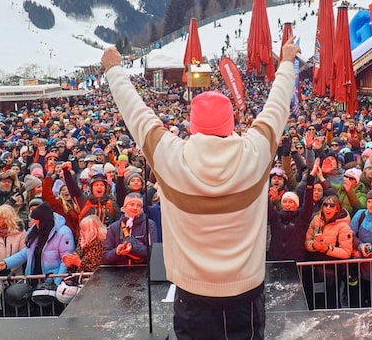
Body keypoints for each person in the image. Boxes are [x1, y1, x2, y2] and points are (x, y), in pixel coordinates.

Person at [102, 41, 300, 339]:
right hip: (245, 294)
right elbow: (276, 104)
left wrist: (114, 70)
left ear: (192, 126)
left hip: (192, 295)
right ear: (231, 123)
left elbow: (137, 115)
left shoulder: (171, 156)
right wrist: (286, 63)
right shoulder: (256, 151)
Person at [0, 201, 74, 283]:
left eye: (36, 219)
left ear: (44, 220)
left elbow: (66, 261)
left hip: (52, 282)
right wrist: (6, 263)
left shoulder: (64, 233)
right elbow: (26, 252)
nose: (34, 222)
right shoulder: (35, 230)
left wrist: (57, 282)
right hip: (33, 279)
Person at [302, 194, 353, 309]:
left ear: (337, 209)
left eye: (331, 205)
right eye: (325, 205)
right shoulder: (316, 219)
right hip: (315, 269)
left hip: (332, 271)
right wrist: (314, 246)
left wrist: (327, 249)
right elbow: (307, 241)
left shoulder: (343, 226)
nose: (328, 208)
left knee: (332, 302)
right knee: (314, 303)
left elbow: (346, 252)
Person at [103, 193, 157, 265]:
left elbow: (153, 253)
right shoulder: (114, 227)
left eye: (138, 205)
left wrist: (133, 248)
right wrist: (116, 251)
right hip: (119, 271)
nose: (135, 207)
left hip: (142, 270)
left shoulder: (149, 224)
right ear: (124, 207)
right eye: (131, 204)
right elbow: (105, 257)